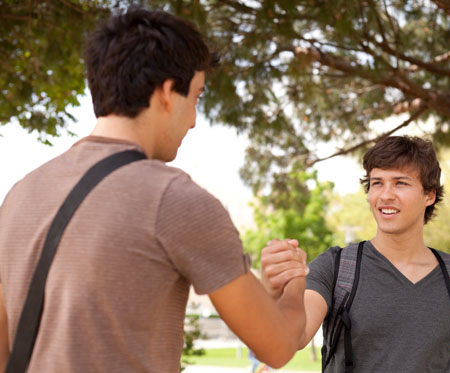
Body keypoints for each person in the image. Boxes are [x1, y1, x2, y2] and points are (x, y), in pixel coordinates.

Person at [0, 8, 308, 372]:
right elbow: (276, 347)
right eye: (195, 98)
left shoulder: (21, 193)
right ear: (166, 93)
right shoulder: (174, 199)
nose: (194, 120)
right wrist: (295, 286)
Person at [261, 136, 450, 372]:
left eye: (400, 183)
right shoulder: (336, 267)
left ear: (429, 195)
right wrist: (278, 290)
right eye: (377, 183)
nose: (385, 195)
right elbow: (293, 338)